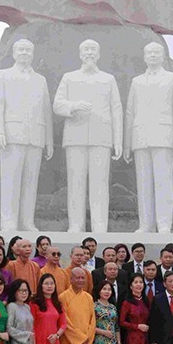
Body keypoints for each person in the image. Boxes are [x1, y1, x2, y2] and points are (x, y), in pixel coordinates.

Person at [53, 39, 123, 233]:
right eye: (86, 49)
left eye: (93, 49)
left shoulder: (108, 79)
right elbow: (57, 104)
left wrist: (118, 140)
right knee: (75, 182)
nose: (89, 52)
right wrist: (73, 106)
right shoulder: (69, 78)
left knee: (100, 183)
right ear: (80, 54)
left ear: (98, 54)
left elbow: (116, 110)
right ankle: (76, 225)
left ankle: (100, 226)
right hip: (75, 136)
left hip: (101, 137)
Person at [0, 38, 54, 231]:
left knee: (30, 183)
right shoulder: (3, 75)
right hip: (12, 136)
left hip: (35, 137)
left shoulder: (40, 80)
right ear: (14, 53)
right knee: (11, 180)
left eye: (28, 50)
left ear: (33, 54)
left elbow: (46, 111)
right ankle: (9, 221)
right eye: (21, 50)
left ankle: (27, 221)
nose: (25, 53)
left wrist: (49, 140)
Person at [123, 41, 173, 233]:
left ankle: (164, 224)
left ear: (163, 56)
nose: (152, 55)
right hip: (140, 137)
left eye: (156, 52)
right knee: (144, 184)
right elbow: (130, 112)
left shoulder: (172, 79)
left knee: (163, 182)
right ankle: (146, 224)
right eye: (149, 52)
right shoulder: (137, 81)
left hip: (164, 136)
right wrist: (127, 143)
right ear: (144, 57)